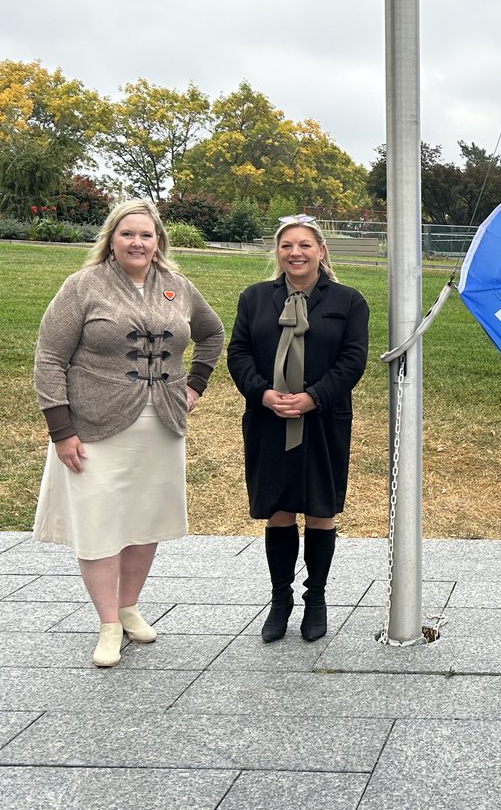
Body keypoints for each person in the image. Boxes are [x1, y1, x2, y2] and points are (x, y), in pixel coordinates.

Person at [33, 199, 224, 667]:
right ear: (111, 239)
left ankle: (128, 606)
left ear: (159, 242)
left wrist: (194, 384)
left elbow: (213, 333)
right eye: (128, 234)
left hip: (160, 426)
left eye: (146, 235)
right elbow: (49, 358)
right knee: (99, 521)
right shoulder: (83, 287)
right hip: (94, 425)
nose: (137, 242)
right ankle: (107, 624)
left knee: (144, 519)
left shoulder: (177, 287)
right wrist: (62, 430)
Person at [227, 215, 368, 643]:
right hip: (269, 421)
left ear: (321, 251)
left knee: (321, 511)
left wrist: (312, 397)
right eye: (287, 245)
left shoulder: (348, 301)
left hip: (324, 421)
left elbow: (352, 359)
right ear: (278, 252)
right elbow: (239, 353)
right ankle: (280, 599)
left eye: (305, 245)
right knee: (280, 509)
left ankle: (317, 599)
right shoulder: (255, 298)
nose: (296, 253)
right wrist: (264, 394)